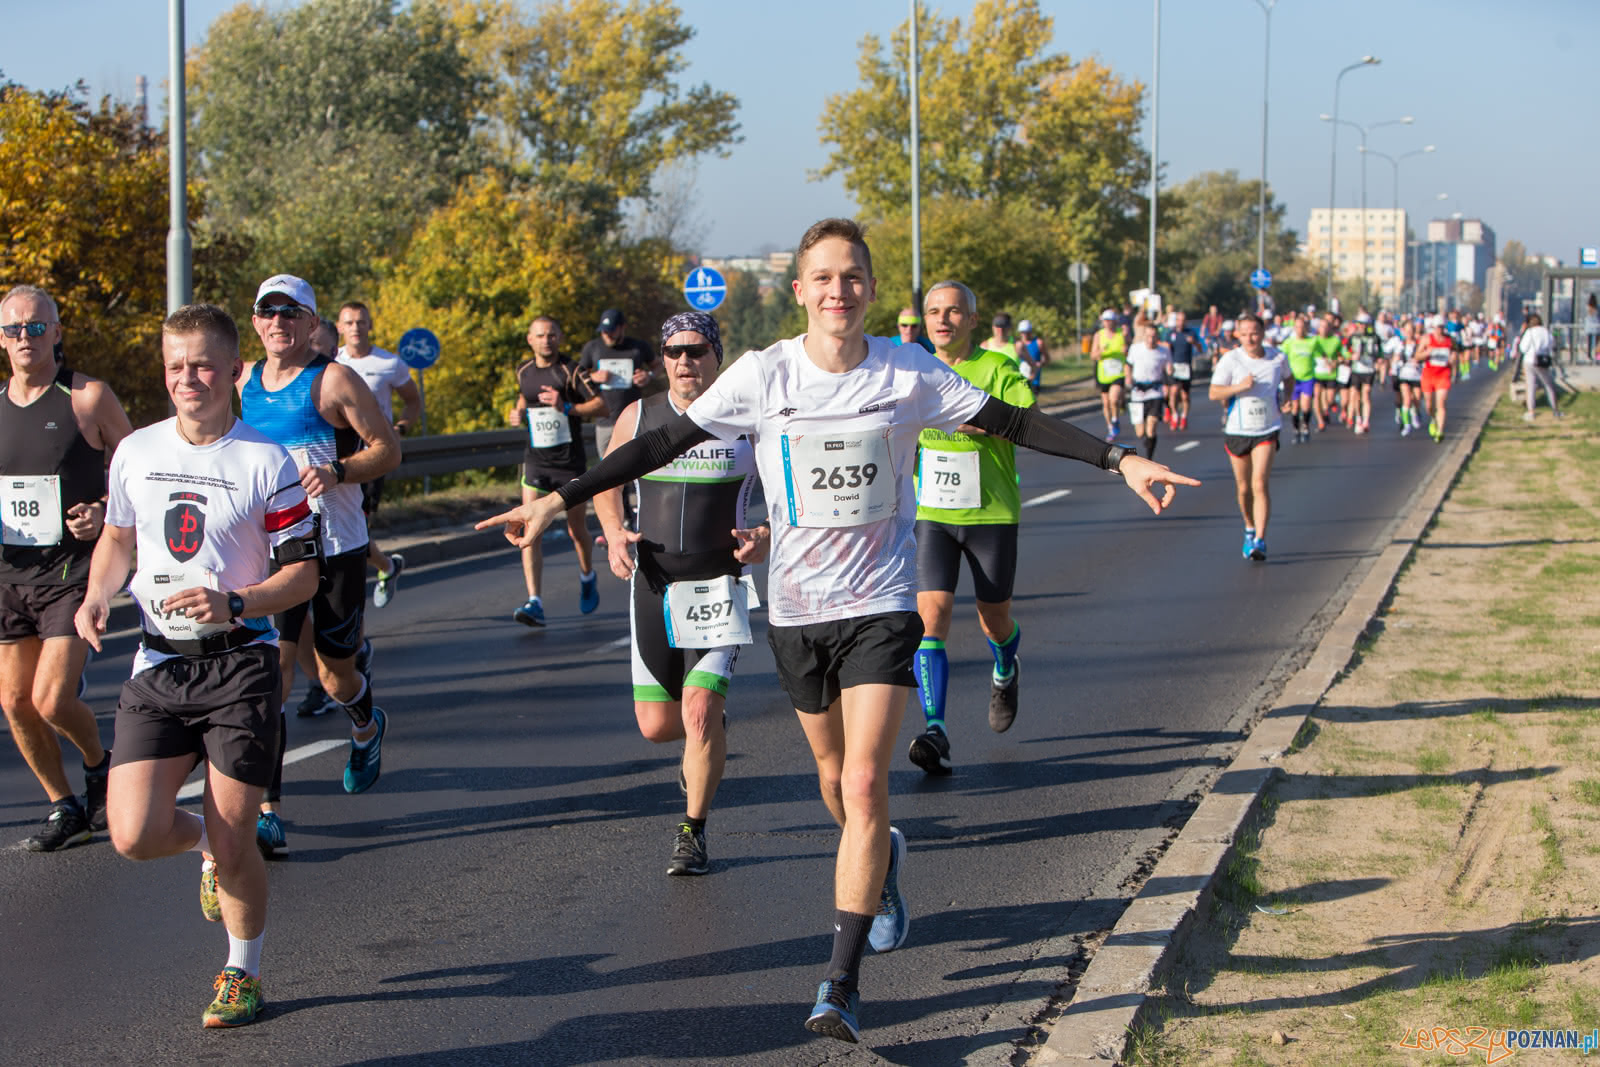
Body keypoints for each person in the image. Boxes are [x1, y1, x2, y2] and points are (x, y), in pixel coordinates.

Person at [476, 217, 1200, 1045]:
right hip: (795, 613)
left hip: (883, 604)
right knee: (833, 783)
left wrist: (1120, 459)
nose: (838, 291)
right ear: (799, 291)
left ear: (871, 288)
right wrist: (555, 500)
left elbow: (1010, 421)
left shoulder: (908, 371)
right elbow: (659, 442)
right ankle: (882, 859)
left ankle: (841, 981)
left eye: (852, 276)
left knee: (862, 781)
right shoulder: (762, 373)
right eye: (822, 277)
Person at [74, 302, 321, 1028]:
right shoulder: (137, 452)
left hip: (238, 664)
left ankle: (241, 969)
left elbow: (302, 575)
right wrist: (96, 594)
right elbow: (118, 539)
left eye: (204, 363)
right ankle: (204, 848)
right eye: (176, 365)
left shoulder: (265, 461)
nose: (189, 377)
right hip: (157, 662)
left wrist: (236, 602)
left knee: (238, 828)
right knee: (133, 833)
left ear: (234, 370)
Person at [592, 311, 767, 874]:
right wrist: (616, 530)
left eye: (696, 350)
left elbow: (791, 491)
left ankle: (692, 831)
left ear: (718, 355)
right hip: (654, 582)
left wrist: (765, 534)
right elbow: (605, 483)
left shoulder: (749, 418)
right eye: (673, 352)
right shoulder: (640, 415)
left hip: (720, 582)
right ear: (661, 360)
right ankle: (706, 731)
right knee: (658, 726)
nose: (684, 361)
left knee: (697, 709)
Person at [238, 274, 400, 859]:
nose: (277, 322)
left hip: (336, 543)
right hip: (274, 550)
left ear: (311, 323)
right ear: (256, 322)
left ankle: (364, 723)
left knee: (335, 676)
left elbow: (387, 448)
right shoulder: (242, 382)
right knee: (270, 678)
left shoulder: (333, 379)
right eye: (267, 312)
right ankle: (268, 813)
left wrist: (338, 473)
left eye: (290, 313)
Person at [0, 285, 133, 851]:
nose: (24, 338)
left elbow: (137, 471)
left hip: (70, 575)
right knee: (13, 702)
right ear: (1, 339)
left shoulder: (86, 398)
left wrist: (103, 512)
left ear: (57, 332)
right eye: (13, 329)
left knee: (52, 699)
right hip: (9, 576)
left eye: (36, 327)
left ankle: (100, 765)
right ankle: (64, 804)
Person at [905, 281, 1035, 777]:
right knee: (929, 619)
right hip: (934, 514)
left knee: (992, 619)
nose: (943, 320)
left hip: (991, 514)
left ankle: (1005, 667)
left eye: (954, 311)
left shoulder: (998, 368)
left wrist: (957, 419)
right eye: (934, 311)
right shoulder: (914, 369)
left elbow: (1019, 418)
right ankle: (935, 729)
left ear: (972, 320)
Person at [507, 316, 606, 625]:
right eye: (540, 335)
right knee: (530, 528)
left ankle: (588, 576)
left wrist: (566, 407)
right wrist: (519, 409)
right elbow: (526, 393)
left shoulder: (571, 371)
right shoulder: (523, 370)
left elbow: (601, 405)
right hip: (536, 460)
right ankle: (534, 601)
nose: (546, 340)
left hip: (569, 463)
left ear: (559, 337)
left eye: (551, 335)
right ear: (530, 339)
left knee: (577, 531)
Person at [336, 302, 421, 608]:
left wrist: (400, 427)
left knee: (357, 526)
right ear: (339, 328)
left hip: (372, 455)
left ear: (369, 325)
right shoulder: (332, 363)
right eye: (349, 322)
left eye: (361, 322)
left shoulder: (388, 363)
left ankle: (352, 615)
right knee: (343, 526)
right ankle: (387, 566)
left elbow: (413, 400)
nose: (356, 328)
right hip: (335, 453)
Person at [1209, 314, 1287, 563]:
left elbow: (1289, 377)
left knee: (1259, 483)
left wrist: (1288, 399)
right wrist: (1239, 388)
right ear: (1237, 335)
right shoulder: (1231, 360)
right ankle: (1249, 527)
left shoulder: (1277, 357)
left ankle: (1260, 540)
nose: (1250, 338)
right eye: (1244, 334)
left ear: (1263, 333)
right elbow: (1214, 392)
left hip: (1267, 429)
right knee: (1243, 488)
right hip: (1238, 430)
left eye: (1254, 333)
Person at [1125, 321, 1172, 459]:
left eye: (1154, 336)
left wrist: (1170, 372)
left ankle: (1149, 458)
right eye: (1148, 336)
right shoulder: (1135, 349)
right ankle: (1147, 441)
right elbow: (1128, 365)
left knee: (1151, 426)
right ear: (1144, 336)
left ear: (1158, 337)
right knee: (1140, 432)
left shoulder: (1164, 351)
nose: (1151, 339)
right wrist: (1128, 377)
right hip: (1137, 393)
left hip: (1155, 392)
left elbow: (1169, 367)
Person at [1090, 309, 1129, 441]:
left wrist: (1126, 349)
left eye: (1110, 321)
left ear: (1114, 321)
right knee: (1106, 403)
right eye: (1105, 321)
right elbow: (1093, 355)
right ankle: (1110, 427)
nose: (1108, 323)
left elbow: (1128, 350)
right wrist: (1100, 352)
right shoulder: (1099, 335)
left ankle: (1115, 419)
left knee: (1113, 399)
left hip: (1118, 372)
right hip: (1104, 374)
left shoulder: (1121, 333)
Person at [1418, 315, 1457, 442]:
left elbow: (1455, 353)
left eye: (1441, 327)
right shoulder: (1426, 340)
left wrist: (1453, 360)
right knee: (1429, 405)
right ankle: (1433, 419)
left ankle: (1440, 431)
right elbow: (1417, 356)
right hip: (1428, 375)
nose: (1439, 330)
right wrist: (1426, 353)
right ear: (1433, 327)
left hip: (1443, 375)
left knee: (1441, 403)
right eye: (1437, 327)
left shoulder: (1450, 340)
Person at [1517, 312, 1562, 420]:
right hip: (1543, 361)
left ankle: (1531, 411)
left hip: (1529, 360)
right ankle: (1555, 410)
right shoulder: (1546, 332)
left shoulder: (1530, 332)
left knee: (1531, 386)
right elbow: (1552, 345)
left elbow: (1523, 348)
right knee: (1548, 385)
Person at [1280, 315, 1317, 444]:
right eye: (1297, 327)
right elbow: (1279, 356)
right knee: (1295, 408)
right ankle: (1296, 430)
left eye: (1302, 327)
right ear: (1294, 328)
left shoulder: (1312, 341)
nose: (1300, 330)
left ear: (1306, 327)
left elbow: (1323, 353)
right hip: (1293, 379)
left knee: (1306, 406)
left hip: (1308, 377)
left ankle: (1305, 427)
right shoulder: (1289, 342)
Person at [1162, 309, 1196, 431]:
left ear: (1186, 321)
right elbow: (1165, 349)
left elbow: (1201, 348)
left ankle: (1184, 417)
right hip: (1174, 366)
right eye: (1179, 320)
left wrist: (1194, 343)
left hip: (1186, 367)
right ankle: (1174, 415)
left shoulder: (1190, 333)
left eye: (1183, 320)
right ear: (1176, 321)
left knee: (1185, 396)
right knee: (1173, 392)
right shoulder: (1170, 333)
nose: (1181, 323)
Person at [1309, 313, 1343, 432]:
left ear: (1330, 328)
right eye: (1321, 327)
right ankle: (1320, 421)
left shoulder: (1335, 340)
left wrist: (1336, 362)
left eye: (1325, 327)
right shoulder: (1314, 340)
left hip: (1330, 374)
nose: (1323, 329)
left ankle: (1330, 405)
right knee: (1317, 396)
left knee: (1329, 399)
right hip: (1317, 373)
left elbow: (1343, 355)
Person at [1015, 319, 1048, 391]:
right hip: (1020, 380)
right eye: (1023, 332)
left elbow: (1047, 359)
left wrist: (1040, 364)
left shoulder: (1039, 343)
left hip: (1034, 380)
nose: (1025, 334)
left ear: (1031, 331)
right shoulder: (1017, 344)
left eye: (1027, 332)